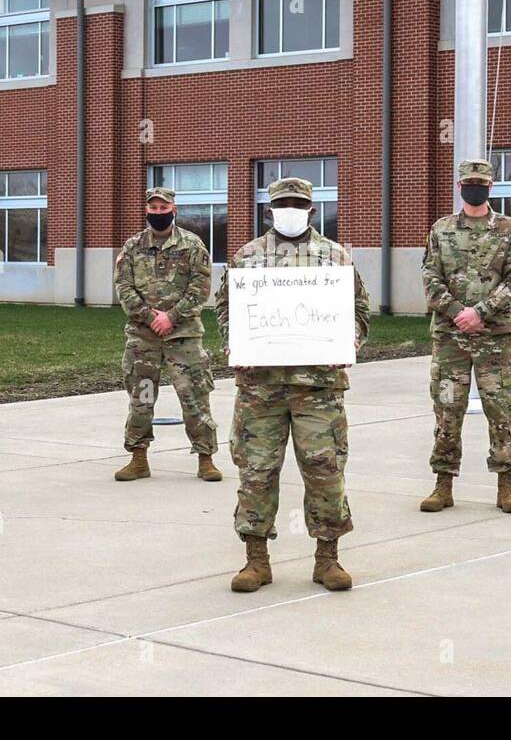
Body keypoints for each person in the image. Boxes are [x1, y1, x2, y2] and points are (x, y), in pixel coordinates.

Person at [215, 177, 370, 593]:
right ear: (270, 211)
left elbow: (359, 310)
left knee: (325, 471)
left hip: (318, 387)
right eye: (282, 203)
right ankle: (256, 560)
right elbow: (225, 308)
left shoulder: (335, 258)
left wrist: (348, 342)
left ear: (311, 210)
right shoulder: (247, 257)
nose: (290, 209)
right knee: (256, 472)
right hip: (260, 388)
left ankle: (327, 559)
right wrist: (235, 342)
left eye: (297, 204)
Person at [419, 159, 511, 514]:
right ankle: (443, 483)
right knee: (448, 409)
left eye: (481, 183)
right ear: (459, 186)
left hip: (493, 336)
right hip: (451, 338)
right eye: (469, 183)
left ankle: (505, 485)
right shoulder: (441, 229)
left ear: (490, 187)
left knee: (501, 409)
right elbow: (430, 278)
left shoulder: (509, 229)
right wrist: (457, 313)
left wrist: (479, 312)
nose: (475, 188)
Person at [113, 187, 221, 482]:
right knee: (141, 397)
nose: (158, 213)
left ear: (174, 210)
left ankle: (205, 458)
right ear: (146, 211)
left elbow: (200, 288)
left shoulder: (192, 245)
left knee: (194, 396)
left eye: (164, 208)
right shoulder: (133, 246)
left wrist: (171, 317)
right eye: (153, 208)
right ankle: (138, 458)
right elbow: (123, 288)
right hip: (143, 338)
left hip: (183, 336)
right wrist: (150, 317)